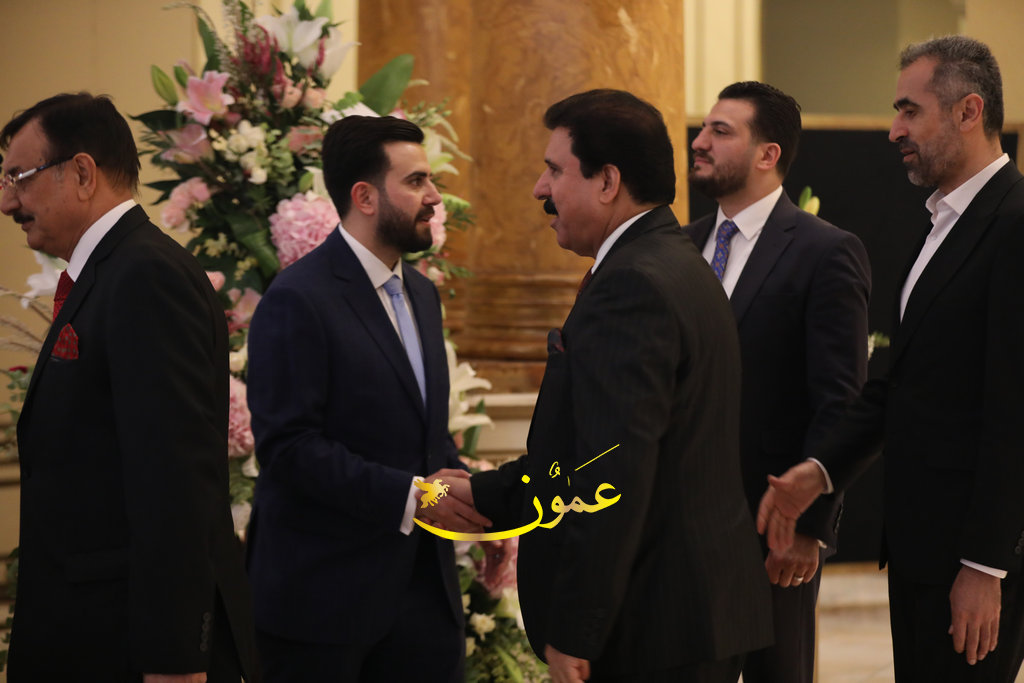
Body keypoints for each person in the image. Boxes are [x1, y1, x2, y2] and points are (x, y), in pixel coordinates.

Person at [431, 89, 773, 683]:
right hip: (686, 615)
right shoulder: (670, 260)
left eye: (555, 170)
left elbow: (612, 470)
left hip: (652, 625)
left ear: (608, 181)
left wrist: (576, 631)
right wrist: (485, 493)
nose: (540, 188)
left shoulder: (632, 284)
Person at [758, 36, 1024, 682]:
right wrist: (820, 470)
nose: (894, 130)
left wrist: (985, 566)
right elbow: (900, 384)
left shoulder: (1015, 222)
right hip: (920, 550)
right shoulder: (942, 223)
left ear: (968, 111)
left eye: (910, 111)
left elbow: (1015, 409)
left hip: (970, 559)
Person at [0, 93, 254, 682]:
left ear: (82, 173)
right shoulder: (113, 270)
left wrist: (174, 659)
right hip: (89, 628)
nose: (8, 201)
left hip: (128, 646)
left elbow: (174, 479)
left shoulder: (144, 274)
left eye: (19, 177)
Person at [245, 115, 486, 682]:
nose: (434, 197)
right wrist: (412, 497)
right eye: (416, 181)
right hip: (323, 605)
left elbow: (421, 433)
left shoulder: (422, 293)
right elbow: (289, 448)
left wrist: (475, 499)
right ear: (365, 197)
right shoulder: (297, 298)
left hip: (424, 604)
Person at [683, 81, 871, 683]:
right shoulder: (679, 247)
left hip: (771, 531)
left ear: (768, 154)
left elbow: (840, 402)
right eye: (703, 128)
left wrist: (810, 526)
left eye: (720, 131)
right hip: (676, 532)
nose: (699, 141)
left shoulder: (825, 251)